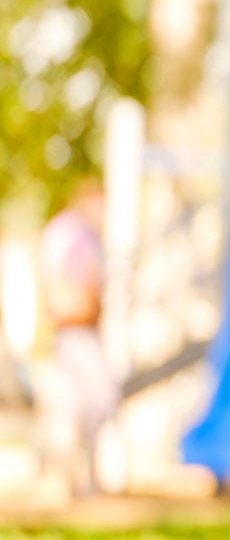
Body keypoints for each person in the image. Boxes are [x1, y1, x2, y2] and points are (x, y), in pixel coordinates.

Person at [38, 179, 117, 500]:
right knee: (91, 403)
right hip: (76, 332)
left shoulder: (63, 233)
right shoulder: (74, 235)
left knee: (78, 408)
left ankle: (74, 482)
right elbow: (68, 286)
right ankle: (72, 483)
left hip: (74, 332)